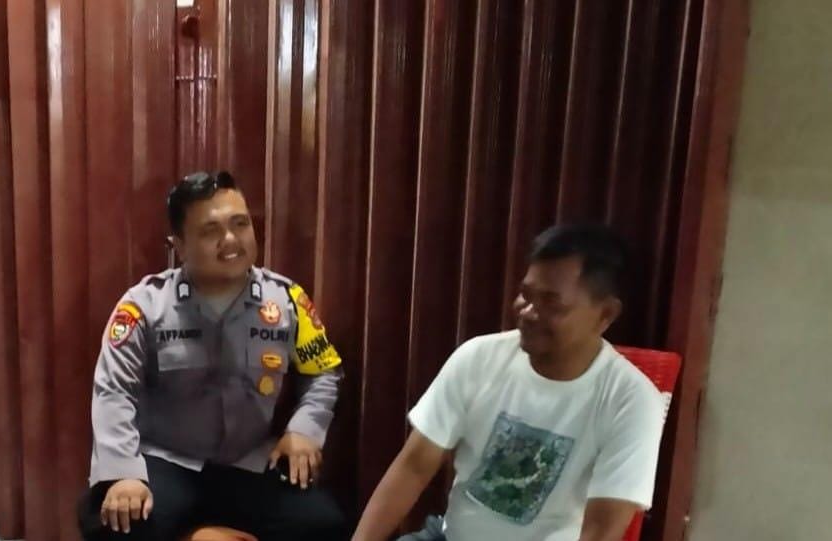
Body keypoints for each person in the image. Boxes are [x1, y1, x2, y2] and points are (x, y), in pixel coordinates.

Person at [78, 171, 348, 541]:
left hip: (248, 464)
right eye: (211, 230)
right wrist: (124, 473)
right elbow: (114, 392)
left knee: (324, 525)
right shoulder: (144, 307)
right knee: (112, 523)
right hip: (168, 462)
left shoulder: (287, 302)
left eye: (240, 224)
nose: (231, 240)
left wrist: (305, 430)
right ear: (179, 245)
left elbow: (324, 372)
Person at [353, 224, 667, 541]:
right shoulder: (479, 357)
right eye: (526, 295)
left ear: (606, 314)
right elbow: (414, 467)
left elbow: (602, 530)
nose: (528, 312)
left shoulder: (632, 401)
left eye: (551, 303)